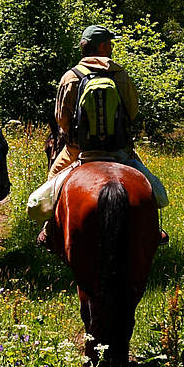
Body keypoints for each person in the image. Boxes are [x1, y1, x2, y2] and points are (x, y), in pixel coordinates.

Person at [33, 25, 168, 246]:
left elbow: (62, 119)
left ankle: (48, 230)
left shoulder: (70, 76)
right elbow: (132, 111)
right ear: (103, 46)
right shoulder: (120, 74)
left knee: (53, 179)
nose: (112, 47)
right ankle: (155, 229)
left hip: (78, 150)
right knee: (149, 187)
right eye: (111, 43)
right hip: (119, 150)